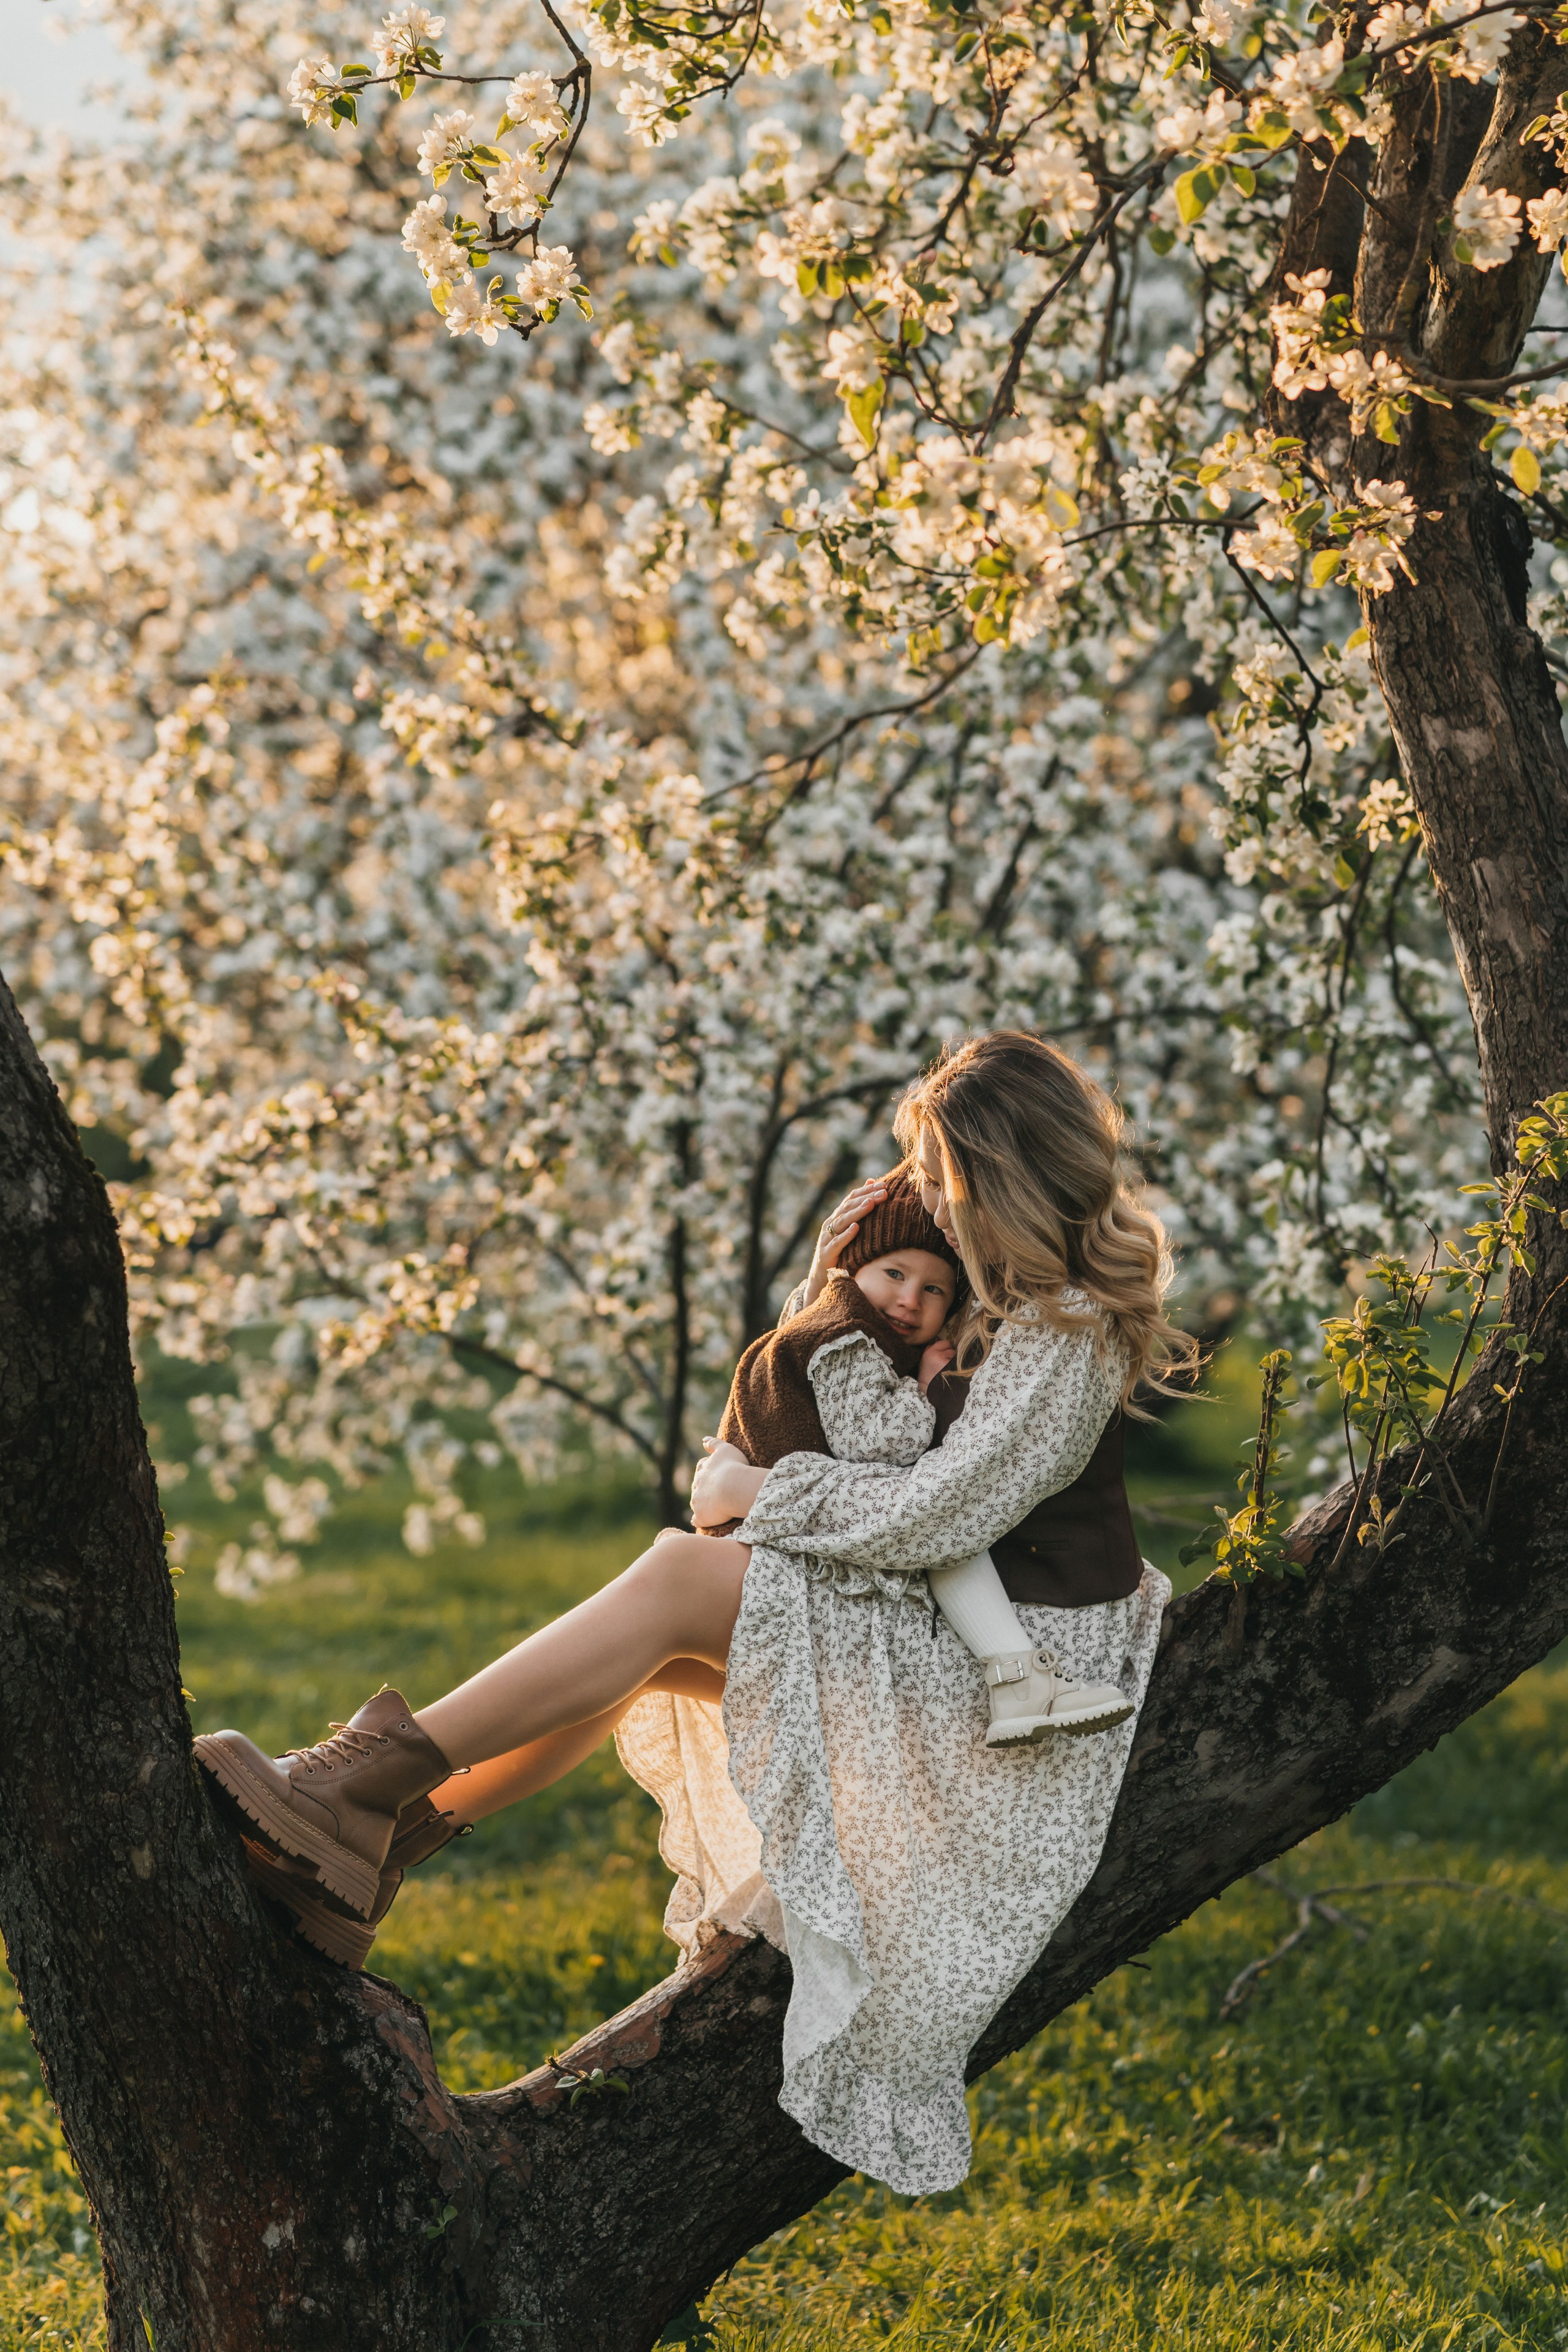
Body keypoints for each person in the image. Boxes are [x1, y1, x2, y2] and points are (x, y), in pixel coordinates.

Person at [195, 1030, 1193, 2193]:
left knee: (677, 1579)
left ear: (1002, 1180)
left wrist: (755, 1492)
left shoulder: (1065, 1331)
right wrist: (836, 1272)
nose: (929, 1204)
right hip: (950, 1629)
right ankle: (380, 1836)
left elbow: (939, 1515)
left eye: (943, 1181)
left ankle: (357, 1788)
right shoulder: (999, 1293)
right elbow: (816, 1378)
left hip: (1007, 1684)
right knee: (662, 1644)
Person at [707, 1166, 1134, 1742]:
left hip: (827, 1539)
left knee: (941, 1515)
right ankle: (1017, 1680)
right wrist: (923, 1389)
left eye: (933, 1289)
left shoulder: (866, 1328)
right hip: (804, 1541)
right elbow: (882, 1447)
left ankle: (1017, 1681)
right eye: (893, 1274)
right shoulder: (851, 1337)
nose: (909, 1299)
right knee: (938, 1514)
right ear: (851, 1271)